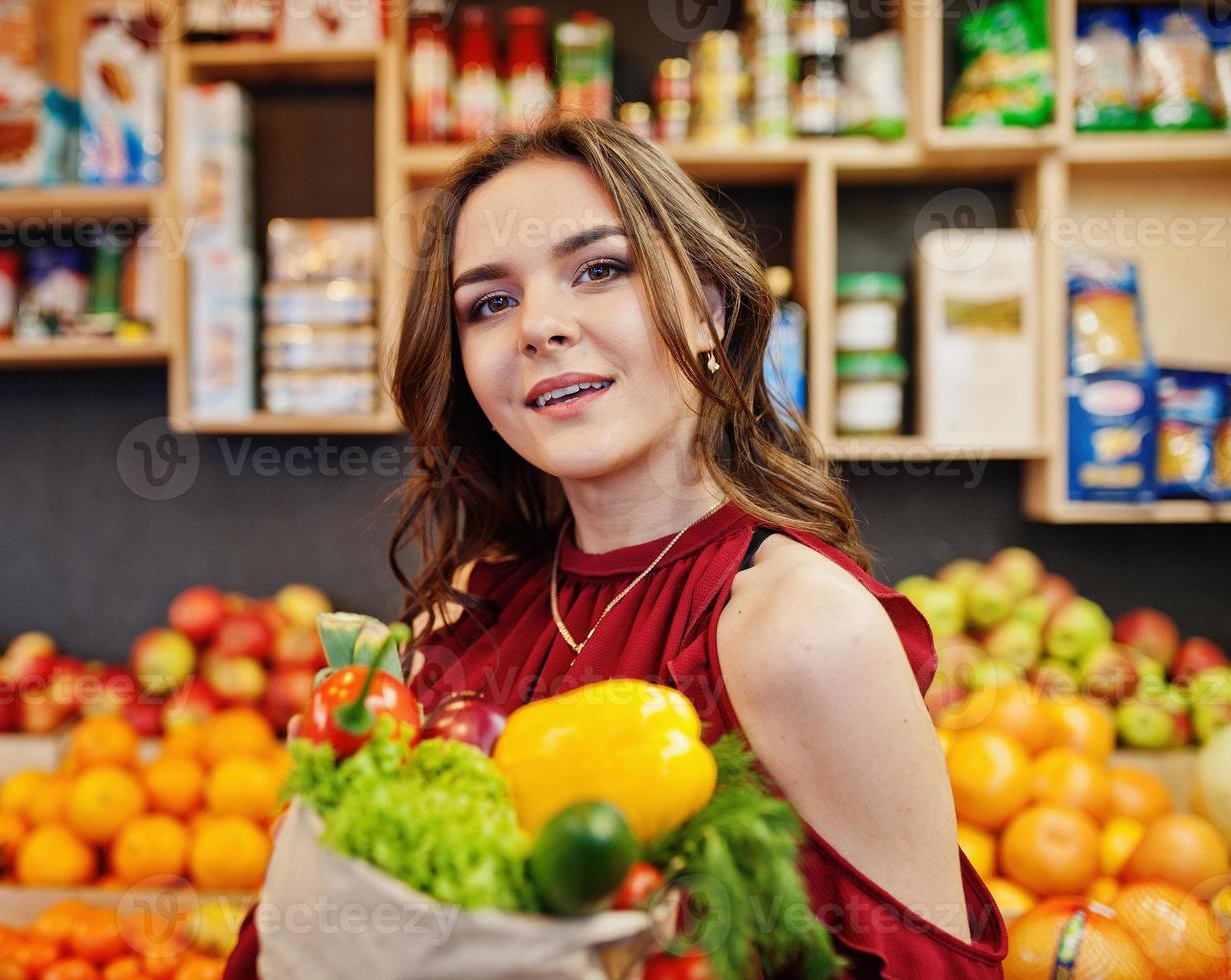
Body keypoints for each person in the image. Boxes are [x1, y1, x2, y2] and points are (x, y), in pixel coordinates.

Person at [382, 112, 1006, 979]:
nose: (537, 325)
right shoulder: (465, 609)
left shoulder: (800, 627)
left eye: (599, 269)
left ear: (710, 311)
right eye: (490, 302)